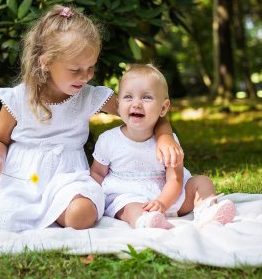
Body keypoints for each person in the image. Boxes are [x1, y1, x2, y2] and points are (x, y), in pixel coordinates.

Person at [0, 5, 183, 235]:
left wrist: (165, 136)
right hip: (23, 178)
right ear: (46, 62)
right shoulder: (19, 99)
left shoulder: (87, 96)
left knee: (82, 214)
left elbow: (144, 111)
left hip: (69, 178)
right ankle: (35, 210)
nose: (85, 77)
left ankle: (56, 211)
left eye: (91, 68)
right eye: (75, 69)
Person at [90, 64, 236, 229]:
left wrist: (163, 203)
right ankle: (145, 221)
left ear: (163, 108)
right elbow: (97, 173)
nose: (136, 104)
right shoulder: (108, 140)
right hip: (128, 195)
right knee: (128, 207)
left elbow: (176, 178)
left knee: (202, 181)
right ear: (118, 104)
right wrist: (94, 199)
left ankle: (207, 210)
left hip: (170, 195)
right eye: (128, 97)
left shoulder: (169, 141)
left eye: (146, 98)